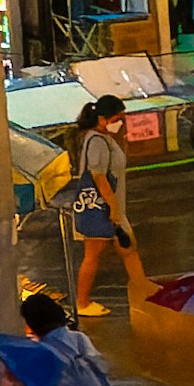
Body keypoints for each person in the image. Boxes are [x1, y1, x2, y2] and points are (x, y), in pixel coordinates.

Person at [58, 94, 139, 320]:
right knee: (93, 254)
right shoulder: (96, 141)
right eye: (118, 117)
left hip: (112, 207)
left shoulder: (106, 138)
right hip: (102, 208)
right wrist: (112, 208)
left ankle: (142, 288)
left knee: (128, 247)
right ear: (102, 119)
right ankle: (82, 302)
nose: (121, 122)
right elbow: (98, 177)